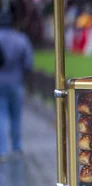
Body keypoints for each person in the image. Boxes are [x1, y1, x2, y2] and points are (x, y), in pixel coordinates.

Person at [0, 4, 33, 162]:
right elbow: (28, 63)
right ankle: (17, 147)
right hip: (16, 81)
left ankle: (2, 150)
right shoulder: (21, 39)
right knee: (16, 116)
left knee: (1, 115)